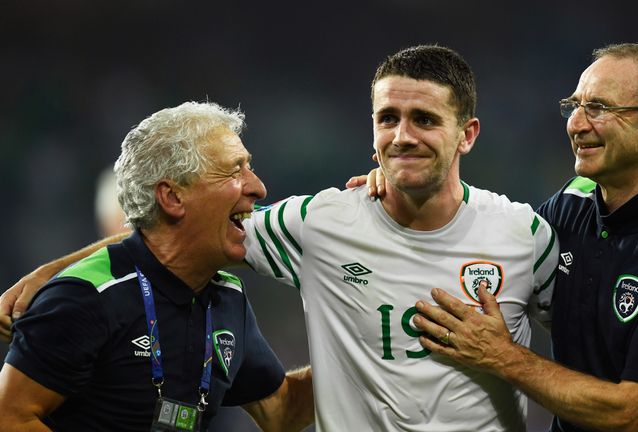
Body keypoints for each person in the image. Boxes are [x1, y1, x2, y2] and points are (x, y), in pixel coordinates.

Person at [0, 45, 560, 431]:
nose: (402, 136)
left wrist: (503, 360)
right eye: (388, 117)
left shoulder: (525, 234)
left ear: (467, 134)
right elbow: (176, 232)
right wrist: (50, 273)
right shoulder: (323, 223)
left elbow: (282, 412)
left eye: (425, 120)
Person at [405, 43, 638, 430]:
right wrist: (397, 189)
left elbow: (628, 415)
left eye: (598, 108)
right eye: (574, 105)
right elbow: (493, 259)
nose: (576, 124)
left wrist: (503, 356)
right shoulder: (572, 202)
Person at [0, 101, 314, 431]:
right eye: (235, 171)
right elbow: (9, 417)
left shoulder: (228, 297)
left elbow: (283, 410)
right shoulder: (87, 296)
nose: (258, 187)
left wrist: (356, 354)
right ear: (172, 197)